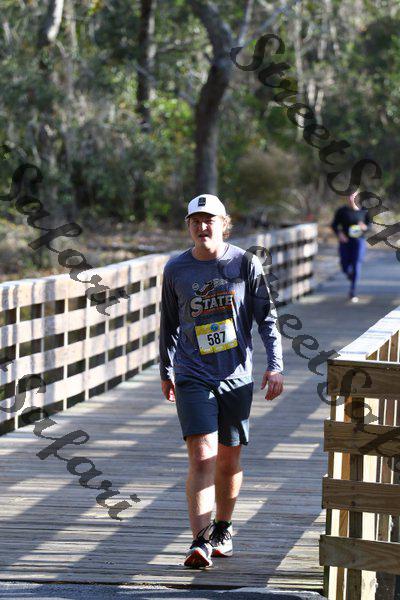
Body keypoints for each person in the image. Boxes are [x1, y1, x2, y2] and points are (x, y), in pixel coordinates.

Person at [159, 193, 284, 569]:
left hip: (236, 376)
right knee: (201, 455)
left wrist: (275, 365)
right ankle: (199, 541)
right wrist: (166, 370)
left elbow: (267, 317)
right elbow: (169, 323)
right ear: (188, 226)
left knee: (228, 458)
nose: (202, 226)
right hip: (192, 373)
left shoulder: (244, 263)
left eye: (209, 220)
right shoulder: (176, 268)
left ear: (223, 224)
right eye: (195, 221)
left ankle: (223, 529)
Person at [331, 192, 371, 303]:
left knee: (356, 264)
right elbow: (334, 225)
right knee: (344, 265)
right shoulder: (342, 211)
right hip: (345, 241)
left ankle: (353, 292)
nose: (351, 198)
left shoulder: (364, 211)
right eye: (349, 196)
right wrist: (340, 234)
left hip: (358, 242)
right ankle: (350, 274)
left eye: (353, 195)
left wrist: (364, 227)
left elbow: (369, 226)